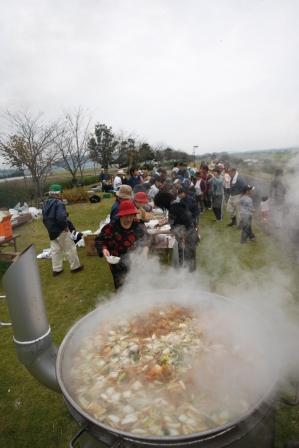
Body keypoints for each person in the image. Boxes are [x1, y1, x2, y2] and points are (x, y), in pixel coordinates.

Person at [95, 200, 149, 289]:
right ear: (120, 215)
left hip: (137, 262)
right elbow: (100, 240)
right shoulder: (110, 227)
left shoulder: (138, 225)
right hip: (117, 265)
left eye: (131, 216)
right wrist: (104, 249)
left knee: (138, 286)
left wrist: (145, 252)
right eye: (126, 216)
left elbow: (146, 239)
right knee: (122, 288)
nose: (129, 219)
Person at [42, 184, 84, 276]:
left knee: (55, 250)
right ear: (57, 193)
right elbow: (61, 218)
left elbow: (45, 219)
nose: (61, 194)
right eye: (61, 192)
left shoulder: (45, 203)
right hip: (60, 229)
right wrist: (65, 227)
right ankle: (75, 267)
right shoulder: (59, 203)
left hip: (51, 230)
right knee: (70, 248)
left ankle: (57, 270)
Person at [154, 191, 199, 271]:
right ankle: (190, 278)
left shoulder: (173, 209)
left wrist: (157, 232)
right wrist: (161, 225)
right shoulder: (176, 205)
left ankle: (188, 279)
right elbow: (176, 221)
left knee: (186, 263)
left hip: (186, 238)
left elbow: (176, 230)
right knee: (190, 261)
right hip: (190, 234)